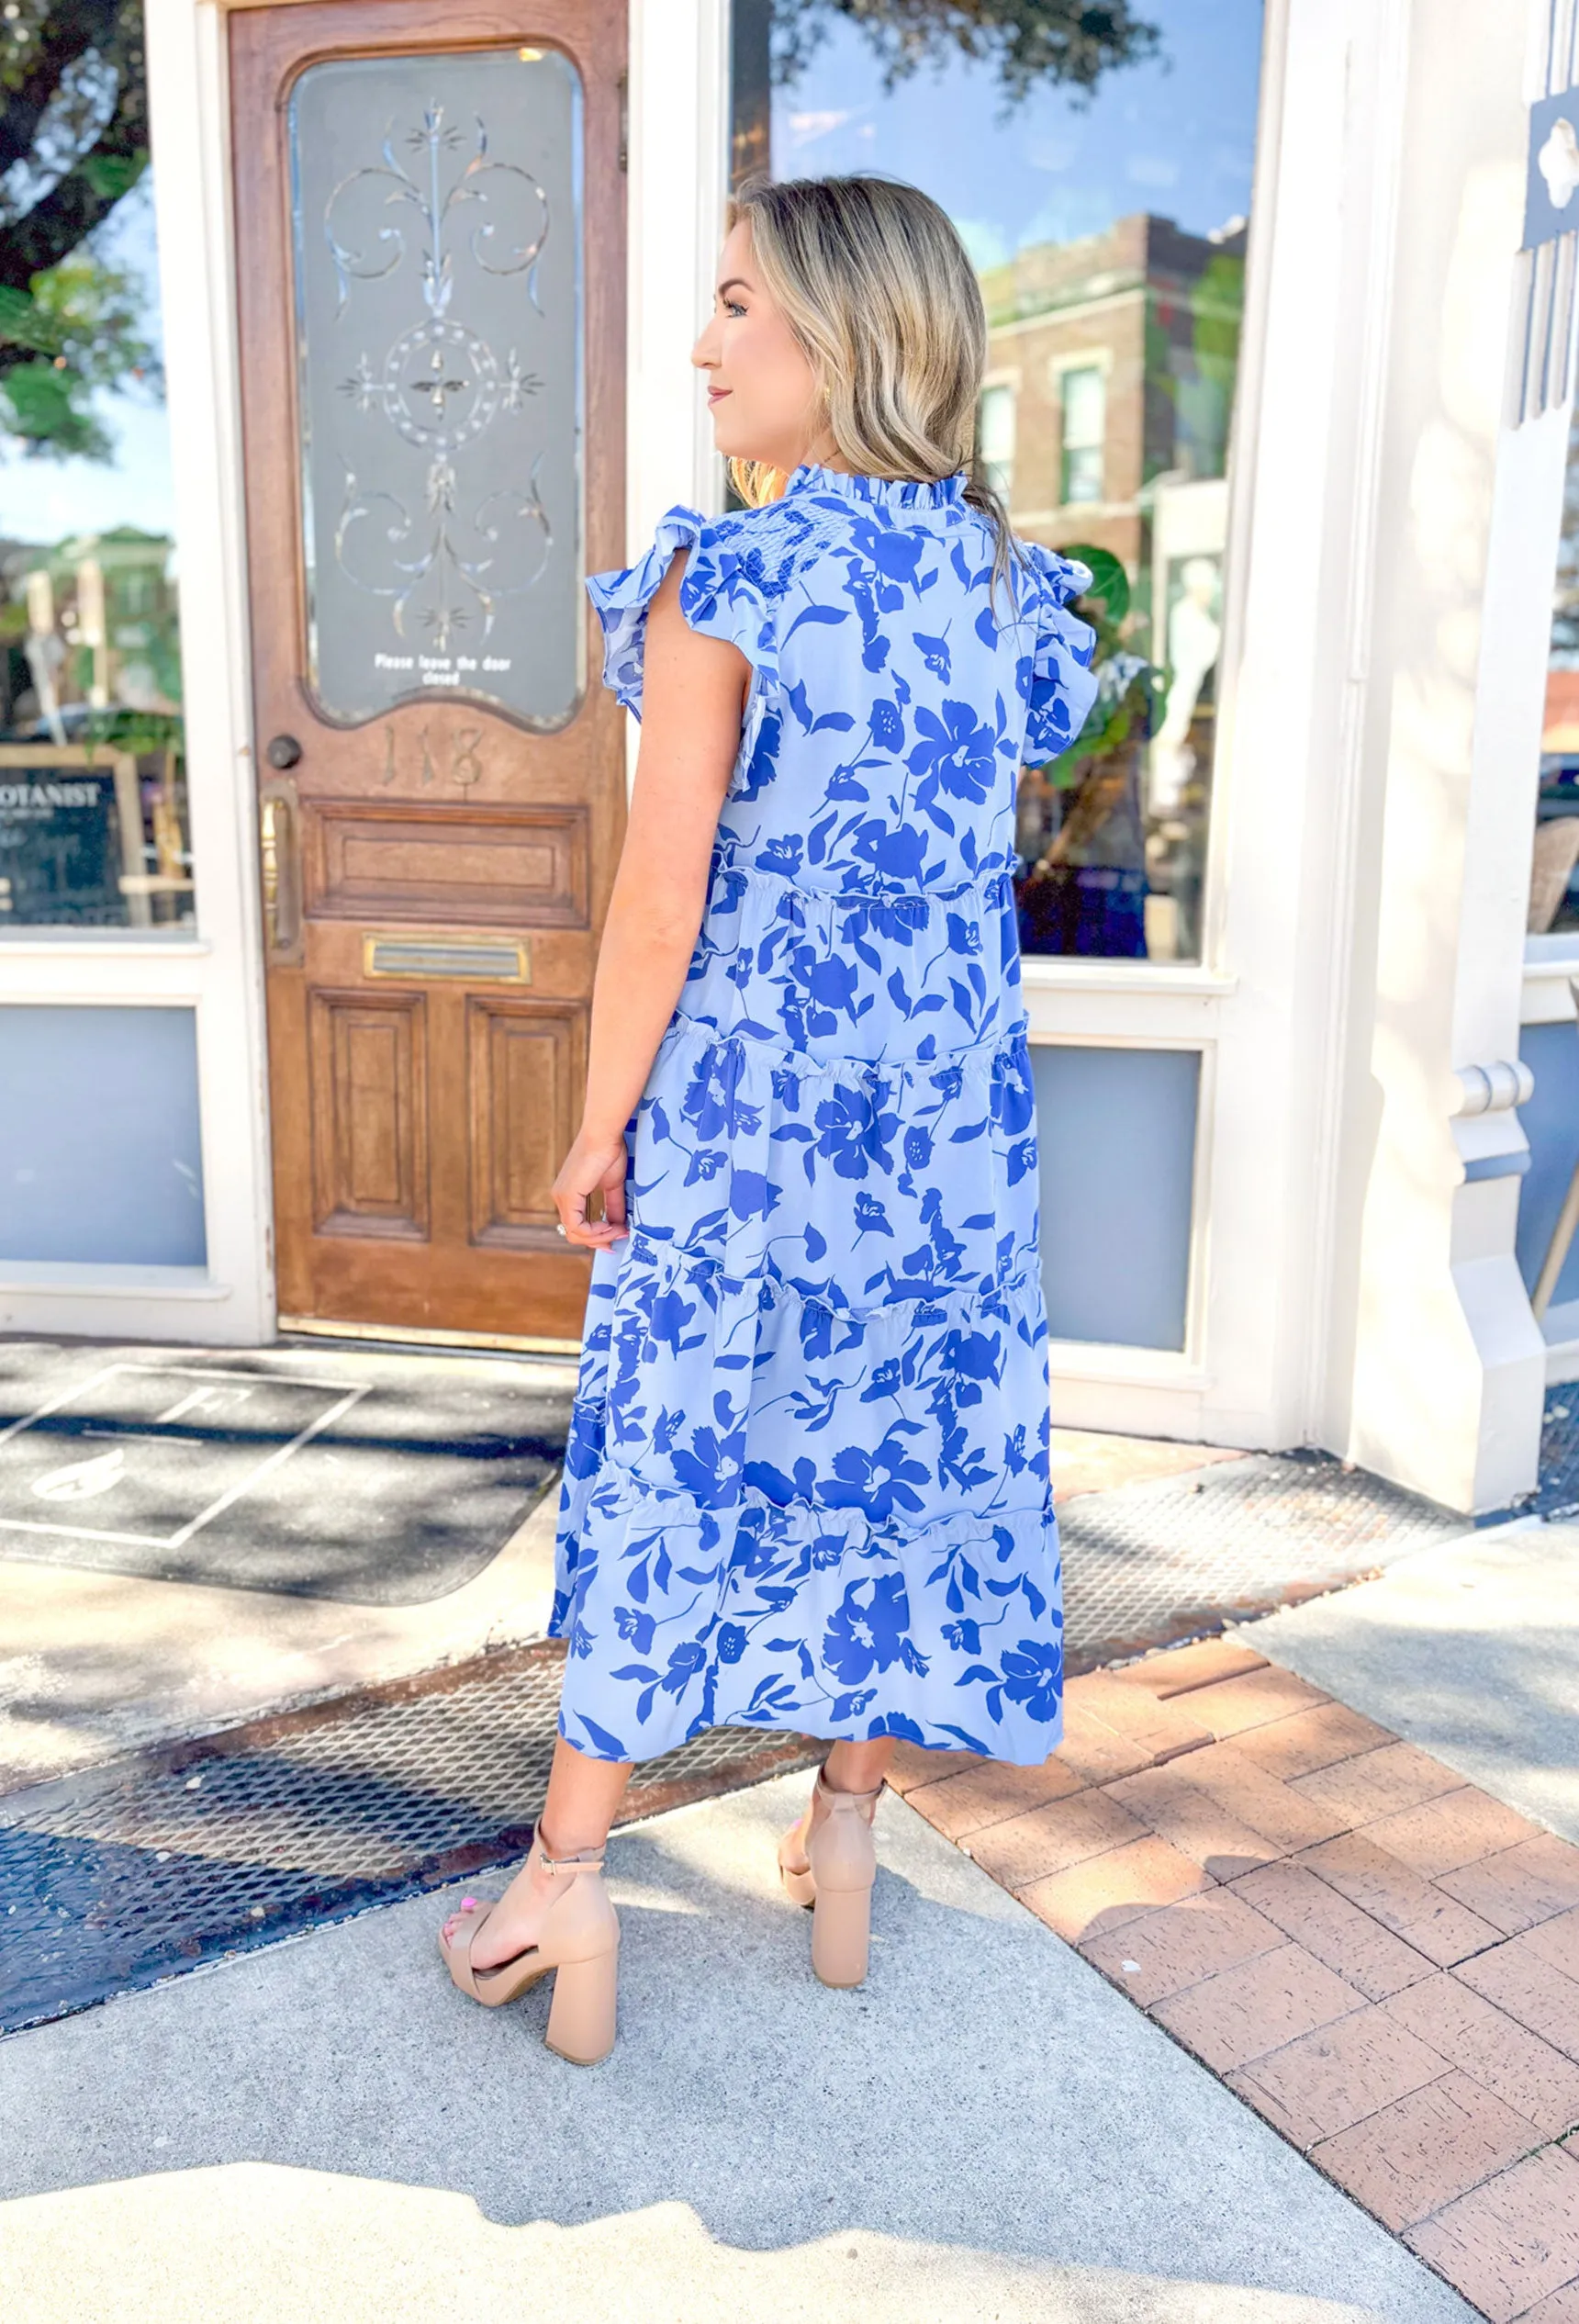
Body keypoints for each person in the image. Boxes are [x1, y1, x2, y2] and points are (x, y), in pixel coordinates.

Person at [438, 174, 1099, 2064]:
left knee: (673, 1458)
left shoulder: (727, 574)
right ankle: (846, 1832)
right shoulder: (1004, 585)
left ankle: (563, 1888)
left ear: (848, 335)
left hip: (748, 1128)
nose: (703, 344)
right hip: (949, 1140)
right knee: (895, 1467)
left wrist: (591, 1127)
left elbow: (659, 899)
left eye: (739, 305)